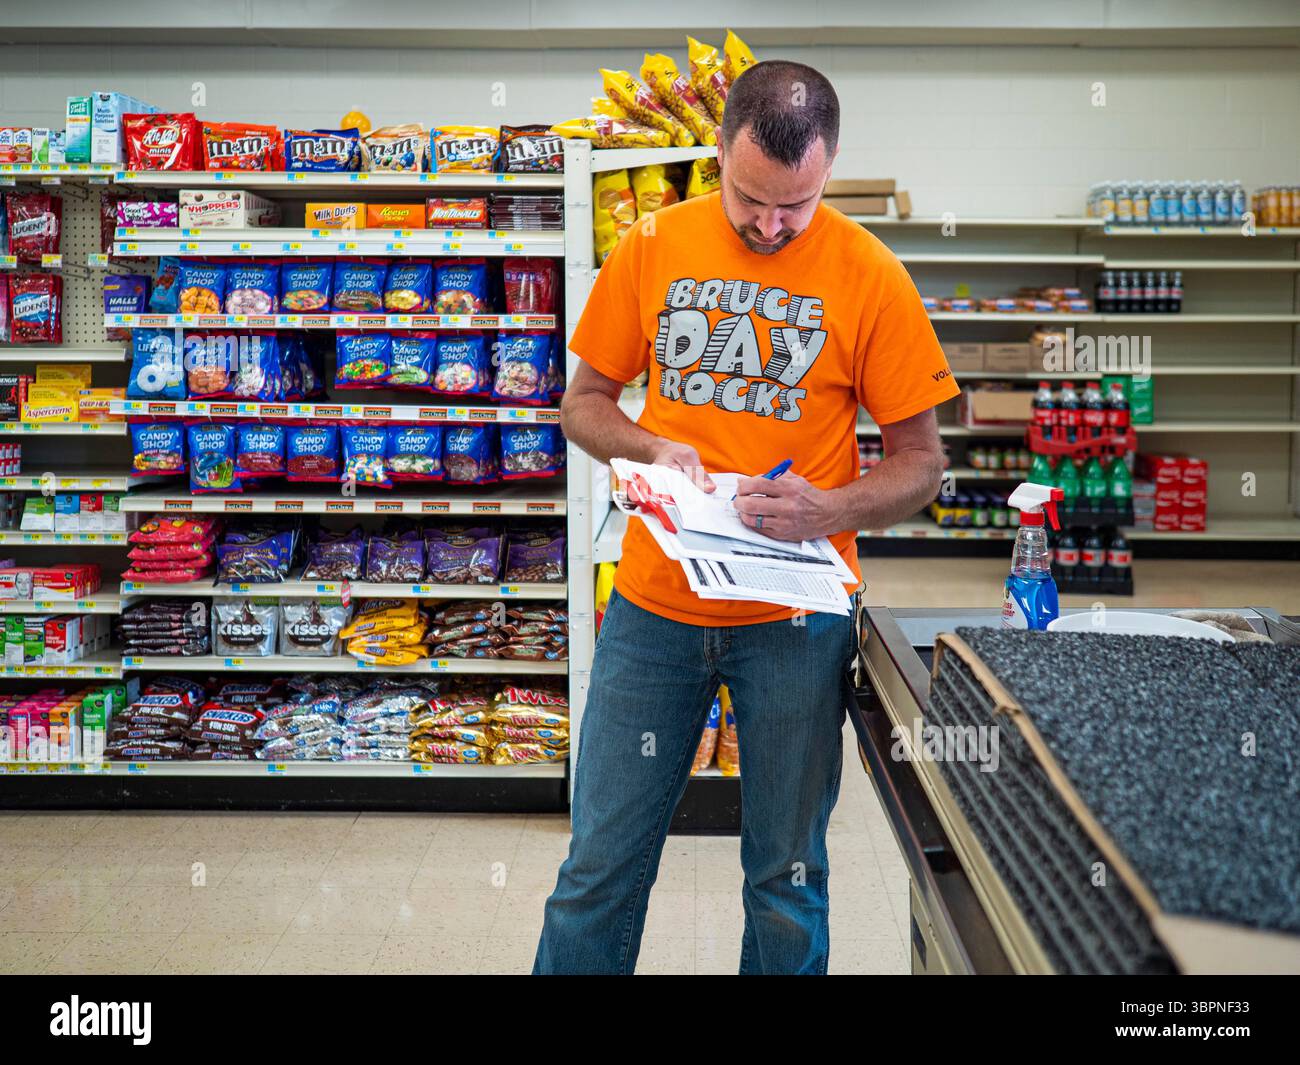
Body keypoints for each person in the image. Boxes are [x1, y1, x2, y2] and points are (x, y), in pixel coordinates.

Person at [534, 59, 959, 975]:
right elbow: (583, 404)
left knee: (786, 877)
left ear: (830, 168)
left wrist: (830, 506)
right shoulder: (651, 243)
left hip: (797, 623)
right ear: (719, 150)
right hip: (653, 608)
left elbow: (923, 464)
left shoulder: (871, 276)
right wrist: (648, 448)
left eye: (795, 207)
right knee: (598, 869)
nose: (770, 226)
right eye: (749, 200)